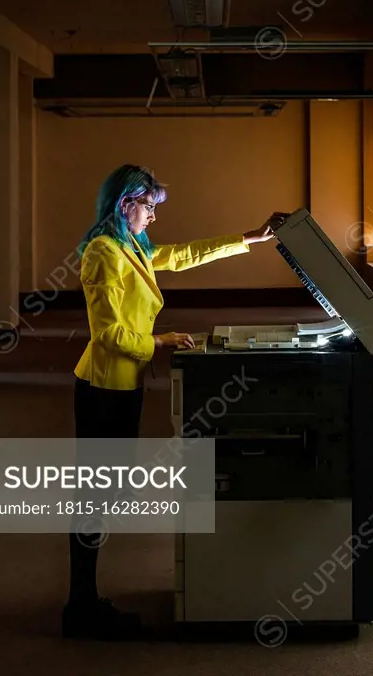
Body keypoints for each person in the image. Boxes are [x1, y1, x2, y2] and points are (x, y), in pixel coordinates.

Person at [62, 163, 288, 640]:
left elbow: (184, 256)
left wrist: (249, 238)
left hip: (125, 385)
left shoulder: (132, 248)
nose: (153, 217)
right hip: (103, 386)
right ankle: (80, 607)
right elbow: (108, 335)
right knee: (93, 500)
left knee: (104, 496)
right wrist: (162, 342)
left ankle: (83, 601)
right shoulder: (104, 254)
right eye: (148, 207)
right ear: (125, 205)